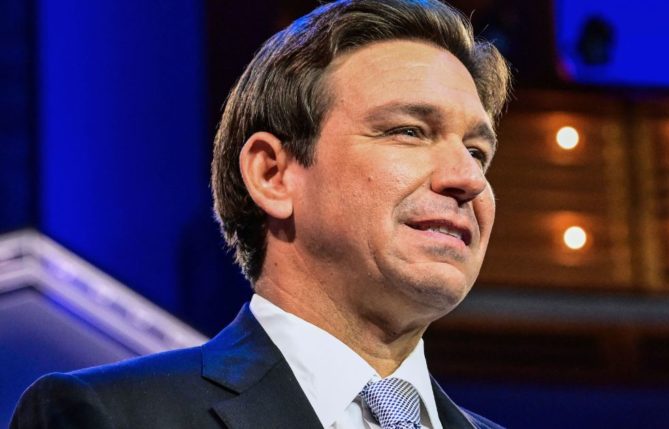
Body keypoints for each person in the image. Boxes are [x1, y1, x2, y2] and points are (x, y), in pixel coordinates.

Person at [12, 0, 511, 427]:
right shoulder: (109, 416)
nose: (467, 178)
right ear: (273, 174)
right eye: (408, 131)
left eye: (476, 152)